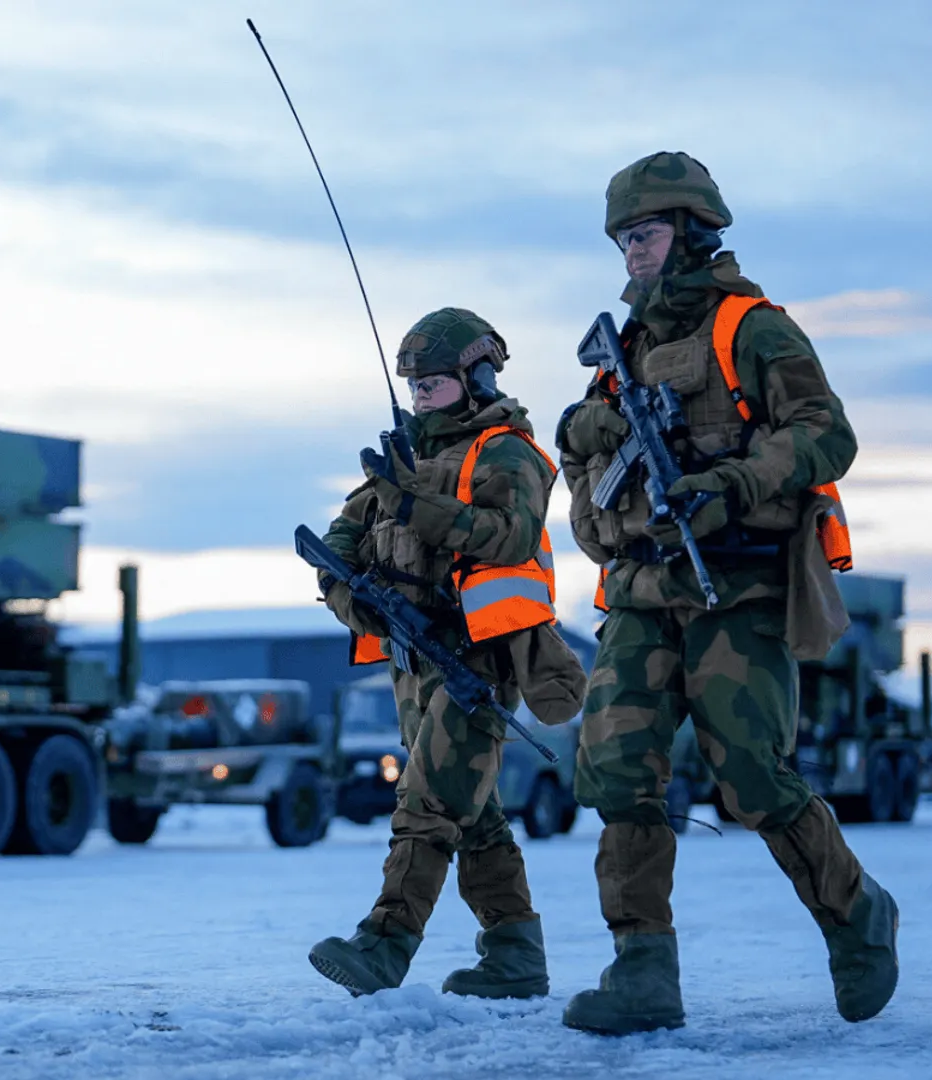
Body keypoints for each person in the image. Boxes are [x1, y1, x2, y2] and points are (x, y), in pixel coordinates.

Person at [555, 151, 898, 1034]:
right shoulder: (621, 352)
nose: (634, 252)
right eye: (625, 238)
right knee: (616, 772)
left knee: (751, 775)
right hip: (638, 591)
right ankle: (643, 972)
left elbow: (828, 434)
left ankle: (857, 916)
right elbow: (588, 467)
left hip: (737, 586)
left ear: (694, 231)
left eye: (648, 233)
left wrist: (737, 482)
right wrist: (588, 446)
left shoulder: (752, 328)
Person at [307, 307, 587, 999]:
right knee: (474, 809)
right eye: (415, 387)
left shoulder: (507, 453)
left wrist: (413, 506)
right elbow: (341, 545)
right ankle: (515, 955)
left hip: (479, 660)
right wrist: (357, 600)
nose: (421, 397)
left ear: (478, 375)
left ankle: (385, 944)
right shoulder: (404, 458)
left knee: (429, 803)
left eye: (433, 384)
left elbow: (509, 535)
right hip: (411, 659)